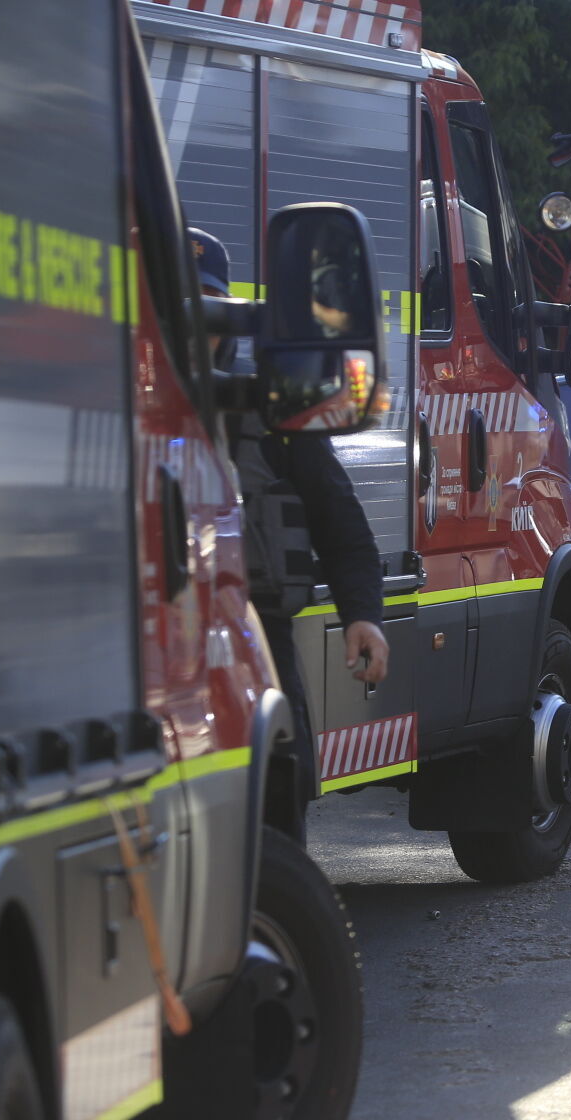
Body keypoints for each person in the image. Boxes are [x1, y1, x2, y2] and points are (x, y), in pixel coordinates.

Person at [190, 228, 390, 839]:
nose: (204, 329)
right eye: (186, 307)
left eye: (211, 308)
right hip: (158, 650)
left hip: (259, 640)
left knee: (278, 805)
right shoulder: (114, 406)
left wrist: (363, 615)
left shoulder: (269, 408)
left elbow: (340, 521)